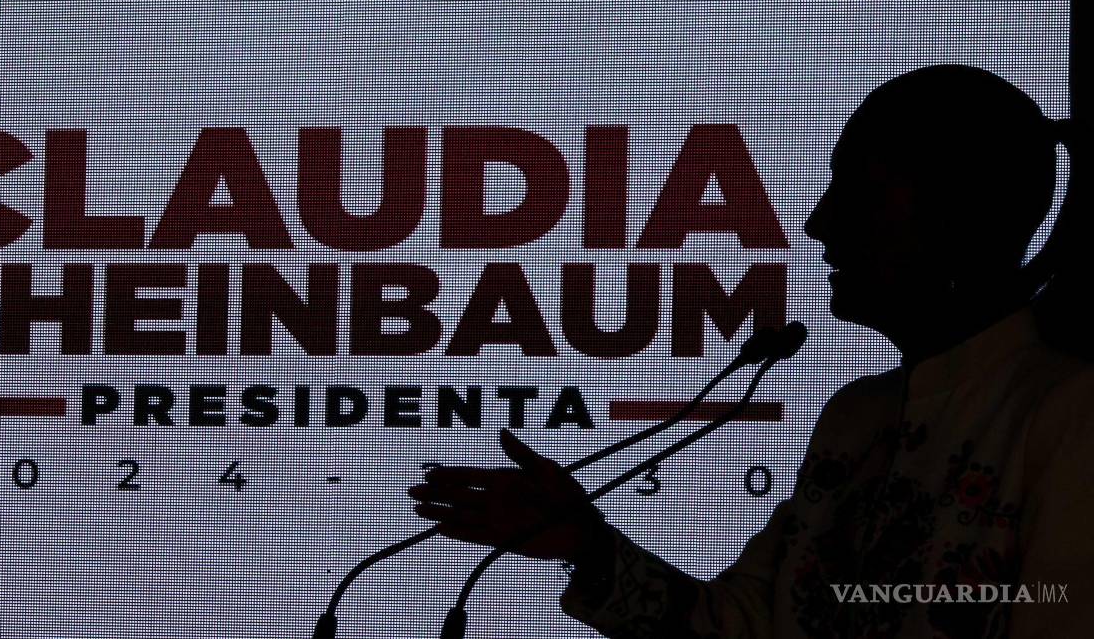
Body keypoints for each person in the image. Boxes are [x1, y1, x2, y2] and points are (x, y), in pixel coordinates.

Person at [407, 65, 1094, 637]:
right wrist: (587, 547)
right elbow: (743, 625)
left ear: (958, 209)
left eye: (860, 189)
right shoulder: (856, 417)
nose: (819, 222)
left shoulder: (1071, 414)